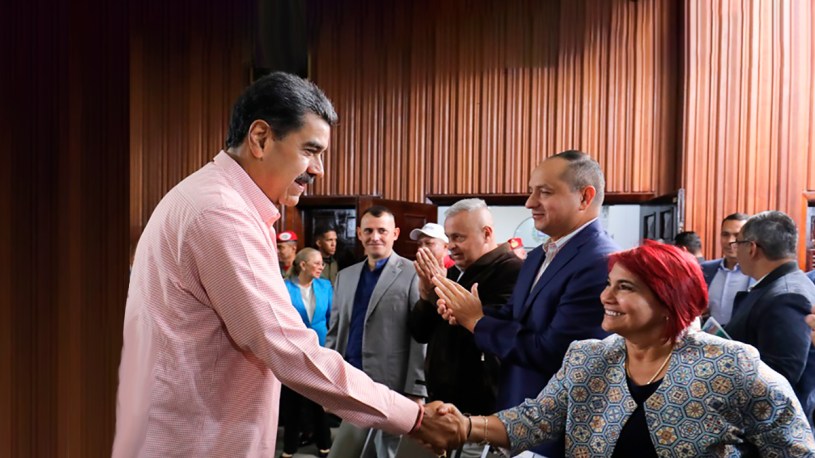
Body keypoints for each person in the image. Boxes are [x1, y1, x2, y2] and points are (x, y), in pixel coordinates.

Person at [113, 72, 455, 456]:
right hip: (197, 442)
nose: (318, 169)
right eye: (310, 150)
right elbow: (287, 346)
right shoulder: (221, 212)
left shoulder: (214, 198)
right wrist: (414, 417)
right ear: (260, 138)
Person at [423, 242, 815, 456]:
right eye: (609, 284)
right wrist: (465, 427)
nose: (606, 296)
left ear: (669, 299)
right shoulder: (589, 357)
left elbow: (794, 447)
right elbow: (535, 420)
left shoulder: (730, 365)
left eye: (624, 287)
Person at [434, 150, 619, 457]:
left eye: (544, 192)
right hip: (516, 414)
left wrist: (476, 322)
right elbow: (516, 316)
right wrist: (466, 310)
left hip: (555, 430)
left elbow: (556, 353)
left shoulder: (599, 261)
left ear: (585, 198)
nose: (530, 203)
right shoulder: (538, 256)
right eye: (531, 191)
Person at [408, 198, 523, 457]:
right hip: (445, 407)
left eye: (459, 237)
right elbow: (420, 332)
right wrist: (427, 295)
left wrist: (464, 312)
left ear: (487, 233)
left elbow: (497, 339)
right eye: (449, 238)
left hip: (481, 417)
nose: (451, 246)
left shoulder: (512, 272)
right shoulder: (454, 274)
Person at [326, 205, 427, 458]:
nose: (375, 237)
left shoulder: (413, 273)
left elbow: (420, 337)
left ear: (395, 233)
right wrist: (326, 382)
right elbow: (335, 332)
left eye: (382, 230)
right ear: (359, 233)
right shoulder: (345, 276)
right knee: (351, 450)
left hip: (393, 385)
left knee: (386, 452)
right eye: (369, 231)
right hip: (351, 380)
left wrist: (416, 388)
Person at [724, 210, 815, 421]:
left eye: (738, 243)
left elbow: (780, 374)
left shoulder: (787, 296)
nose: (734, 249)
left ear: (752, 248)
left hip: (770, 424)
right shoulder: (778, 285)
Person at [280, 248, 333, 458]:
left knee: (319, 399)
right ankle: (289, 447)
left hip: (321, 349)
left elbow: (331, 317)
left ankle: (324, 444)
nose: (322, 267)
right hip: (293, 351)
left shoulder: (325, 286)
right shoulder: (284, 287)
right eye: (317, 263)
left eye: (322, 263)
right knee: (292, 400)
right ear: (303, 265)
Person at [700, 213, 752, 326]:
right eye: (725, 234)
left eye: (737, 235)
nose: (730, 241)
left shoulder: (757, 274)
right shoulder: (705, 270)